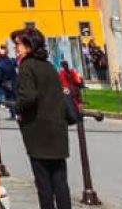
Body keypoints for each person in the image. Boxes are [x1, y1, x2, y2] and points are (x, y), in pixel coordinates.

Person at [12, 28, 72, 209]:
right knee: (60, 181)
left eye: (18, 44)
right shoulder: (48, 66)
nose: (16, 48)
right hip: (57, 129)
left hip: (38, 132)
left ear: (29, 45)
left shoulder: (26, 67)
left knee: (44, 183)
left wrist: (17, 108)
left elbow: (28, 96)